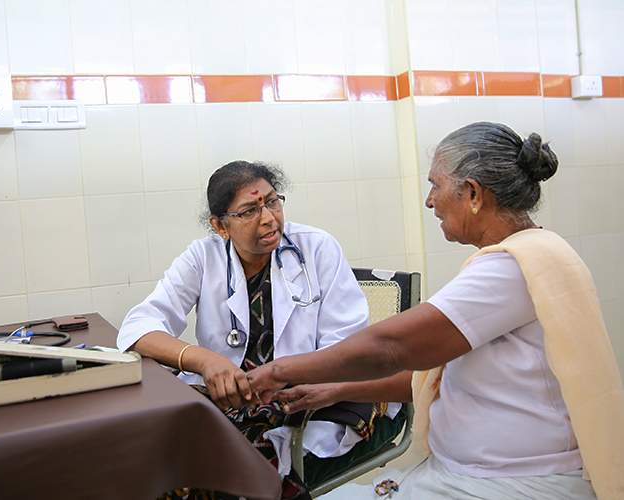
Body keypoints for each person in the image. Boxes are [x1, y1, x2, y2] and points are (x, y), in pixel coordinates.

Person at [248, 122, 624, 500]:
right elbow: (432, 377)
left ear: (473, 193)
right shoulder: (530, 255)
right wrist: (336, 389)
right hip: (464, 475)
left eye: (436, 185)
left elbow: (390, 348)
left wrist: (278, 372)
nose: (430, 201)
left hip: (506, 485)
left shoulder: (510, 270)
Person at [116, 161, 404, 499]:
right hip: (235, 397)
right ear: (220, 226)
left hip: (310, 392)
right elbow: (139, 328)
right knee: (155, 445)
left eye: (272, 201)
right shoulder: (202, 257)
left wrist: (279, 378)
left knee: (236, 468)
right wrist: (203, 360)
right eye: (249, 211)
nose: (268, 218)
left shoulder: (316, 247)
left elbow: (344, 349)